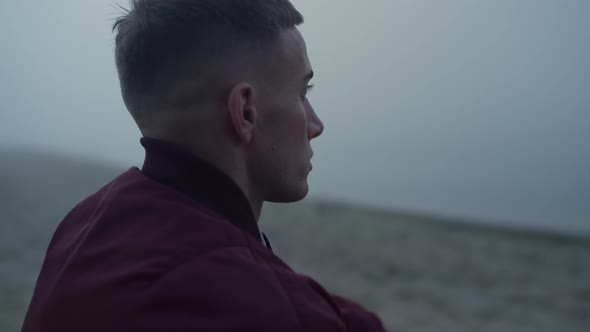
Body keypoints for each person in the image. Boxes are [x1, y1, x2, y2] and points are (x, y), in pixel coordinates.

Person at [22, 0, 387, 331]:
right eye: (302, 94)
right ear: (245, 111)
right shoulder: (248, 304)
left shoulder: (85, 223)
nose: (316, 125)